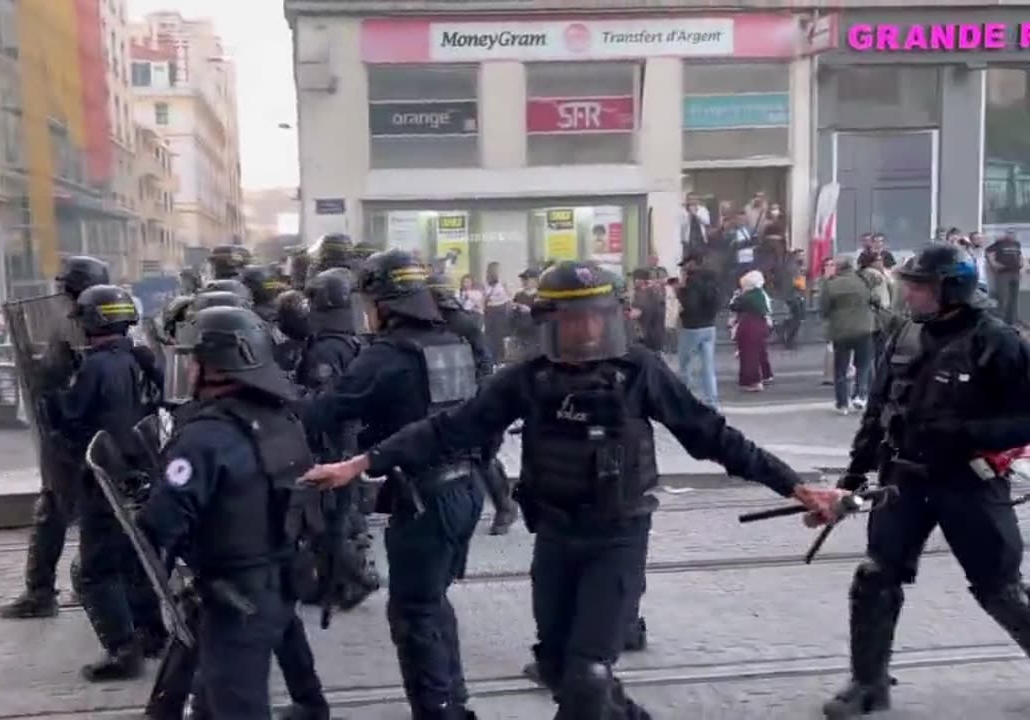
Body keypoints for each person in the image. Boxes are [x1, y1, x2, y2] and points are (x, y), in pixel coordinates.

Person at [304, 259, 846, 720]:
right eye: (572, 319)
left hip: (619, 536)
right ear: (549, 322)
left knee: (587, 676)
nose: (586, 331)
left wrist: (795, 487)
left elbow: (713, 437)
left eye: (597, 317)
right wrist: (364, 461)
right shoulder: (530, 377)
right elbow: (451, 428)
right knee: (561, 671)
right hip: (557, 539)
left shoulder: (639, 371)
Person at [821, 243, 1030, 718]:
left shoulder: (998, 340)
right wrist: (854, 473)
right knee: (875, 577)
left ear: (951, 289)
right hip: (902, 481)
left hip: (969, 483)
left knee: (999, 586)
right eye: (909, 284)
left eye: (920, 286)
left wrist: (967, 435)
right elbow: (877, 411)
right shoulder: (903, 335)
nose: (910, 294)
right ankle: (868, 683)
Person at [297, 250, 484, 720]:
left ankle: (438, 712)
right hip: (464, 489)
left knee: (413, 614)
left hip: (425, 499)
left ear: (384, 303)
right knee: (432, 603)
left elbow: (326, 410)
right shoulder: (451, 341)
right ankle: (453, 703)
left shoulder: (387, 356)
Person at [140, 305, 328, 718]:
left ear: (218, 366)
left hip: (235, 599)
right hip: (282, 581)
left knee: (236, 707)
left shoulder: (203, 437)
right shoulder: (283, 418)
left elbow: (161, 521)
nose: (188, 369)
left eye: (194, 360)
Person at [54, 283, 166, 680]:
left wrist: (52, 386)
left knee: (96, 569)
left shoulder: (96, 367)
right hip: (142, 471)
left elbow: (70, 417)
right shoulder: (141, 358)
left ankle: (122, 649)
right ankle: (153, 634)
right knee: (136, 560)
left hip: (106, 477)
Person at [0, 255, 110, 619]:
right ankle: (91, 582)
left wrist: (35, 370)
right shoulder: (113, 318)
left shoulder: (73, 323)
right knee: (99, 512)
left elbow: (55, 375)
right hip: (101, 434)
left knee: (54, 512)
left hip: (70, 434)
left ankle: (43, 592)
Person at [292, 267, 381, 610]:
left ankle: (358, 578)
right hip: (349, 437)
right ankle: (336, 582)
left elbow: (323, 400)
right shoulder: (351, 339)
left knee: (332, 518)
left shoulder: (327, 348)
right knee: (341, 512)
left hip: (332, 441)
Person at [428, 271, 518, 536]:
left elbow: (483, 361)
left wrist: (478, 393)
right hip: (447, 395)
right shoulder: (439, 322)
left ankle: (504, 505)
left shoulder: (461, 323)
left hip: (469, 396)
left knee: (481, 455)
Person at [820, 257, 876, 414]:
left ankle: (842, 403)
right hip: (864, 328)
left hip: (841, 330)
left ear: (838, 268)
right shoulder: (862, 281)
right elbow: (873, 299)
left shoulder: (831, 284)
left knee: (841, 369)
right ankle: (860, 395)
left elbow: (824, 309)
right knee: (863, 365)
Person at [675, 252, 720, 408]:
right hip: (710, 326)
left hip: (692, 327)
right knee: (708, 366)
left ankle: (682, 399)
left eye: (685, 264)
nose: (683, 269)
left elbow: (690, 305)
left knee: (684, 364)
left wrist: (680, 291)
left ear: (692, 263)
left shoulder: (692, 281)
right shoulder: (712, 278)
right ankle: (712, 402)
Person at [729, 269, 772, 392]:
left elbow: (734, 306)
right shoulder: (760, 294)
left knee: (748, 356)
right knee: (756, 354)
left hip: (749, 326)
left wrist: (739, 296)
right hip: (759, 326)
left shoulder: (748, 296)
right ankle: (755, 378)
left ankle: (753, 381)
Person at [985, 231, 1023, 326]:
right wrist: (994, 264)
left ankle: (1012, 322)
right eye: (1009, 233)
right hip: (1003, 274)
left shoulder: (1017, 244)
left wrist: (1022, 263)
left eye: (1013, 233)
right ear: (1005, 235)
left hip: (1015, 273)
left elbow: (1020, 255)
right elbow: (988, 252)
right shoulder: (999, 243)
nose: (1012, 235)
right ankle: (999, 322)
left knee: (1014, 298)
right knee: (1002, 298)